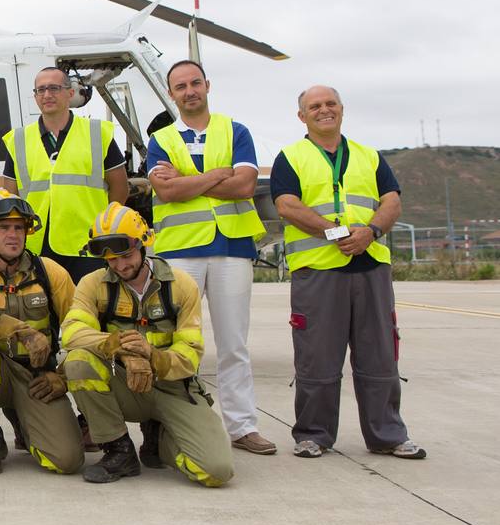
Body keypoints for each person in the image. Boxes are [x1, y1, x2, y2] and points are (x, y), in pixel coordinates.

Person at [271, 86, 422, 460]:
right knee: (316, 357)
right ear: (301, 116)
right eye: (314, 106)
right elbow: (287, 205)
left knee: (380, 355)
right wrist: (337, 233)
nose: (324, 110)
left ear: (341, 110)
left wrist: (371, 232)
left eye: (330, 104)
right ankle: (313, 434)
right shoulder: (290, 157)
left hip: (371, 267)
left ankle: (387, 434)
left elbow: (392, 200)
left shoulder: (370, 157)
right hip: (319, 270)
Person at [147, 60, 274, 456]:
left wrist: (188, 180)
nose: (189, 91)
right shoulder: (161, 139)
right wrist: (218, 174)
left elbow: (245, 186)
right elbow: (167, 194)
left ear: (207, 85)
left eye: (195, 83)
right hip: (180, 252)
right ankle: (175, 423)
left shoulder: (236, 131)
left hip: (231, 247)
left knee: (234, 343)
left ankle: (242, 426)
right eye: (181, 86)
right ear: (171, 94)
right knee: (175, 341)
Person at [61, 203, 233, 487]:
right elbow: (72, 332)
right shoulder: (93, 284)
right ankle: (119, 450)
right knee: (77, 361)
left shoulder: (181, 285)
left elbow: (191, 354)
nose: (120, 265)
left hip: (173, 388)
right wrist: (117, 346)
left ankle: (161, 439)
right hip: (125, 383)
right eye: (111, 259)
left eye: (126, 255)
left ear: (143, 244)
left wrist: (153, 357)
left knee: (216, 471)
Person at [0, 190, 82, 476]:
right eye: (3, 227)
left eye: (19, 227)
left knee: (68, 460)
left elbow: (80, 328)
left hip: (37, 378)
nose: (13, 235)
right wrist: (21, 331)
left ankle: (25, 422)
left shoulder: (50, 272)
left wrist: (62, 377)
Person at [2, 66, 129, 282]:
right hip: (36, 247)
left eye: (54, 88)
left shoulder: (97, 132)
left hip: (88, 245)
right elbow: (10, 197)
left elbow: (120, 188)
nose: (47, 95)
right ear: (35, 96)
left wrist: (104, 227)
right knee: (42, 314)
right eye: (40, 90)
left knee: (88, 312)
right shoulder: (18, 140)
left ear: (70, 93)